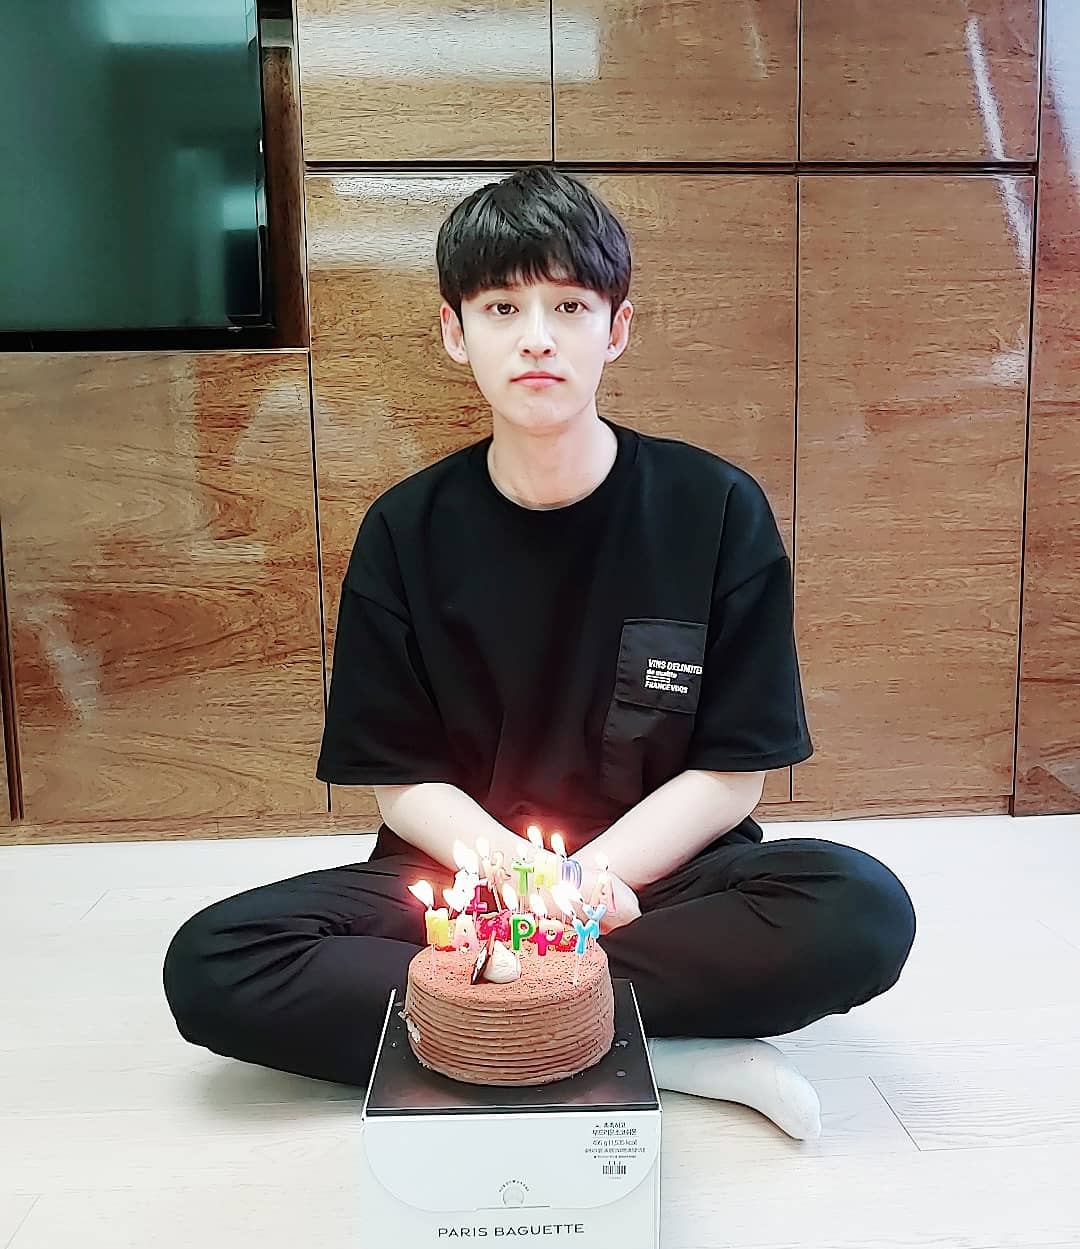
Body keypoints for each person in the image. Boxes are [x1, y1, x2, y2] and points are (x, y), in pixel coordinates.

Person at [163, 166, 916, 1140]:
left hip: (652, 882)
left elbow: (734, 773)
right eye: (501, 308)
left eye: (569, 306)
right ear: (454, 332)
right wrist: (532, 887)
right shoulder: (404, 530)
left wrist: (581, 891)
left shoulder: (715, 509)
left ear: (617, 328)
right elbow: (403, 783)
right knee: (217, 959)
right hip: (464, 881)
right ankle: (651, 1043)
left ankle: (493, 1021)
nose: (536, 337)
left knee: (860, 908)